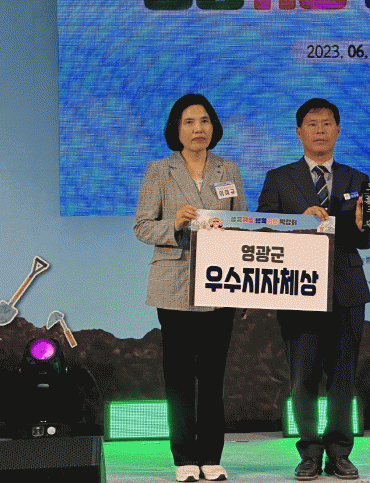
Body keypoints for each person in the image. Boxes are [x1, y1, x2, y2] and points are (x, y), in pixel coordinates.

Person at [257, 98, 370, 481]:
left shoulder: (360, 179)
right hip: (297, 288)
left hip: (347, 289)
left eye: (327, 123)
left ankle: (340, 452)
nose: (320, 130)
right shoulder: (278, 179)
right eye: (312, 124)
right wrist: (299, 221)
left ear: (338, 131)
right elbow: (263, 228)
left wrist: (362, 223)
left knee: (343, 377)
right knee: (303, 377)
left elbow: (367, 240)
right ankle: (309, 452)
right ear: (299, 132)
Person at [134, 94, 247, 482]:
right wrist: (174, 224)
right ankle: (184, 457)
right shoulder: (159, 171)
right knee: (179, 376)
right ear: (176, 129)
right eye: (189, 122)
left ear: (213, 126)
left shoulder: (228, 169)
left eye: (204, 121)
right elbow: (142, 226)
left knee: (213, 376)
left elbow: (241, 225)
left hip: (221, 284)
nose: (198, 128)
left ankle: (211, 456)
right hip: (174, 284)